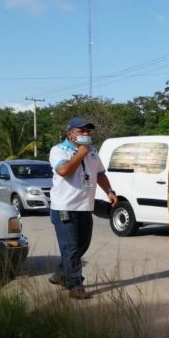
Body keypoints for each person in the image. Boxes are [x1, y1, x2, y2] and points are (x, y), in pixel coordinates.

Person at [48, 118, 118, 299]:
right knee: (71, 248)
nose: (86, 135)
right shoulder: (58, 150)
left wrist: (109, 191)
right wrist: (80, 154)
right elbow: (64, 171)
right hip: (64, 207)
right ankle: (75, 285)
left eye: (88, 132)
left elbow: (100, 174)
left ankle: (60, 275)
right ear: (70, 134)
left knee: (81, 246)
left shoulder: (93, 151)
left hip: (85, 206)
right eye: (81, 131)